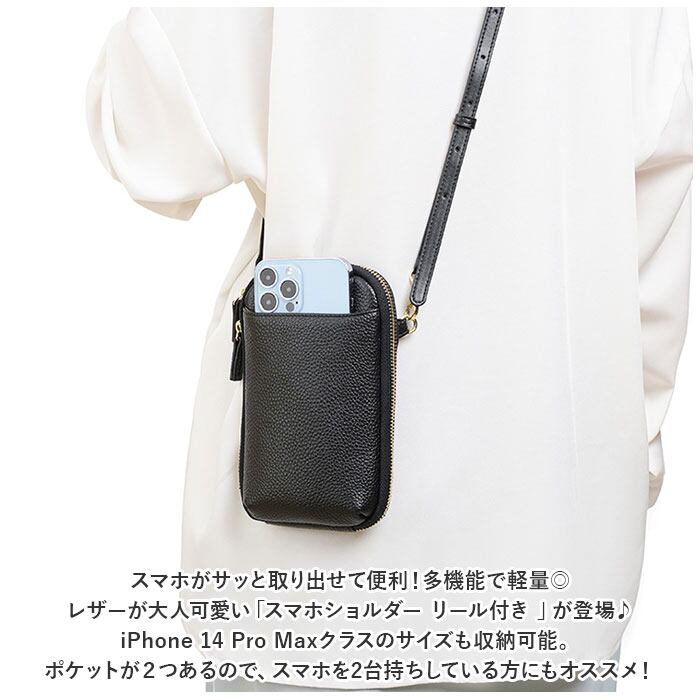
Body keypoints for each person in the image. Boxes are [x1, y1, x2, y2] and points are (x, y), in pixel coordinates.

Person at [87, 8, 692, 691]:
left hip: (301, 579)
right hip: (555, 571)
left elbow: (140, 136)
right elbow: (650, 273)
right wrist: (630, 470)